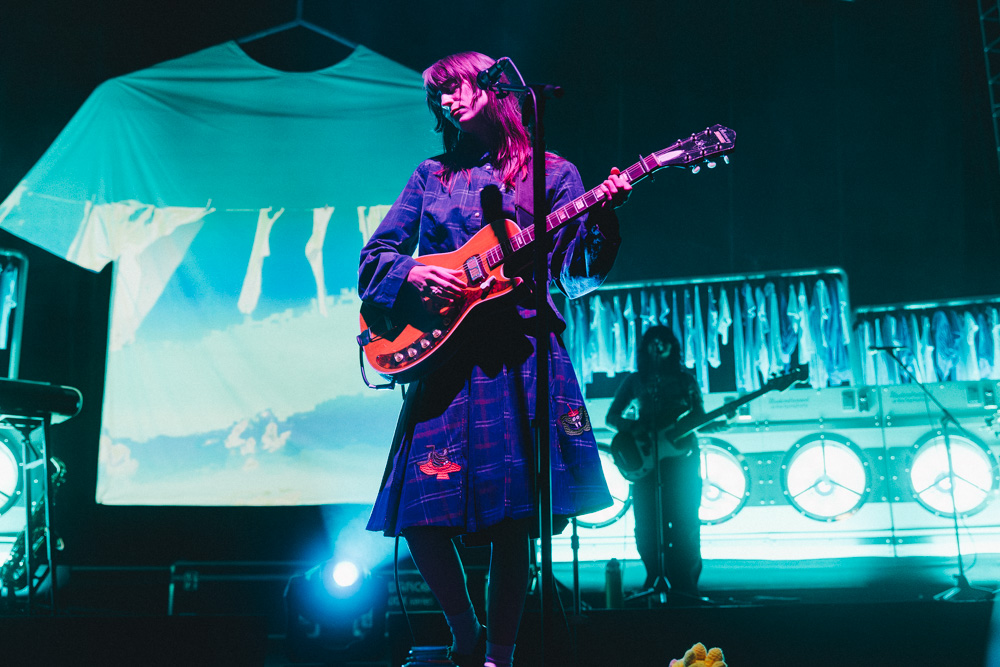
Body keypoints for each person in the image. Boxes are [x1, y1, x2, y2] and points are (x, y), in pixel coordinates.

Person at [359, 52, 631, 667]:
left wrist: (603, 214)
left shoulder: (551, 173)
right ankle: (464, 631)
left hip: (521, 353)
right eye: (436, 98)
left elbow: (576, 272)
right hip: (447, 357)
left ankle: (499, 657)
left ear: (488, 83)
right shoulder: (431, 176)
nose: (445, 103)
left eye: (452, 88)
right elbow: (375, 257)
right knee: (421, 513)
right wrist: (418, 273)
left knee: (518, 521)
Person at [605, 326, 718, 604]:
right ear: (645, 348)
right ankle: (655, 579)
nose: (659, 346)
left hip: (683, 462)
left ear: (672, 346)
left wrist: (718, 420)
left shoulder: (685, 379)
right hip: (647, 463)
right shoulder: (635, 380)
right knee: (646, 525)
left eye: (664, 341)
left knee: (685, 522)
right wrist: (638, 428)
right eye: (653, 342)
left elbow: (699, 417)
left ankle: (686, 587)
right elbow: (612, 417)